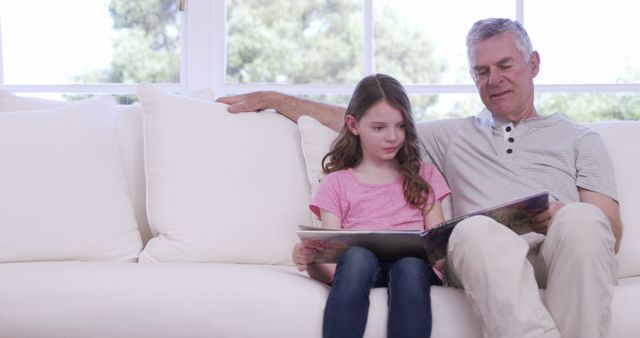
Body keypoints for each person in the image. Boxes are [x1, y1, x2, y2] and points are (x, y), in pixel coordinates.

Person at [217, 18, 622, 338]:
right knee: (472, 230)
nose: (493, 79)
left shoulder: (580, 138)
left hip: (556, 254)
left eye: (504, 65)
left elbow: (609, 232)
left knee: (583, 219)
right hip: (483, 260)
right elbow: (367, 120)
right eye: (481, 70)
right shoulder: (454, 134)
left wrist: (557, 213)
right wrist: (274, 100)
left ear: (532, 64)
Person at [290, 73, 449, 338]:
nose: (392, 137)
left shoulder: (425, 175)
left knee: (409, 266)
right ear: (353, 124)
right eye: (379, 127)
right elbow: (331, 269)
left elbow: (440, 255)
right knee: (356, 257)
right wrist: (311, 260)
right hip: (358, 269)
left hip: (415, 270)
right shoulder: (336, 183)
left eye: (400, 126)